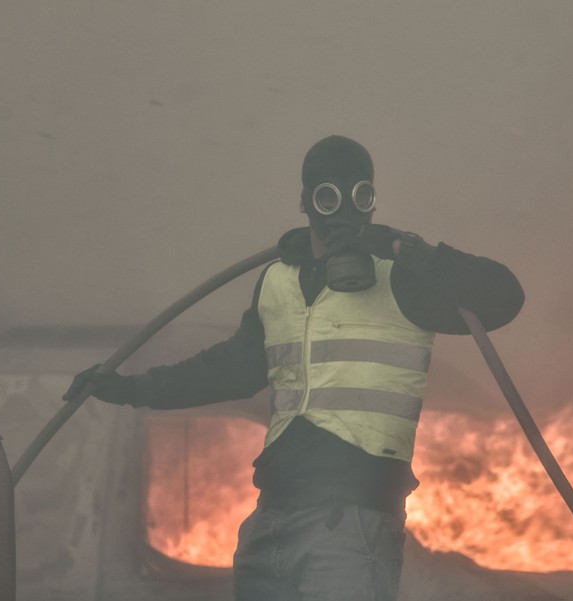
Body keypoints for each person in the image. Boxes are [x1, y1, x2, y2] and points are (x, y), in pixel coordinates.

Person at [64, 135, 525, 601]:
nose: (344, 211)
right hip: (271, 520)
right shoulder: (276, 282)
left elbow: (503, 296)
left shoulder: (401, 281)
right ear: (305, 203)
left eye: (359, 196)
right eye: (328, 197)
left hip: (352, 522)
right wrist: (129, 388)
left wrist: (408, 249)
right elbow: (228, 370)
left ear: (371, 202)